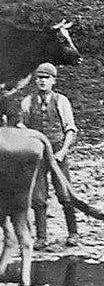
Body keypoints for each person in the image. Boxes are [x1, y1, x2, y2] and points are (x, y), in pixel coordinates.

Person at [18, 63, 79, 248]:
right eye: (39, 78)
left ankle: (73, 233)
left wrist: (62, 152)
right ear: (35, 81)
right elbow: (22, 126)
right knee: (38, 197)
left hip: (57, 152)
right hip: (37, 154)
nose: (42, 82)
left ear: (53, 81)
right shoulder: (27, 102)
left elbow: (70, 129)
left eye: (46, 78)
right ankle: (41, 237)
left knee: (65, 194)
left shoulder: (61, 101)